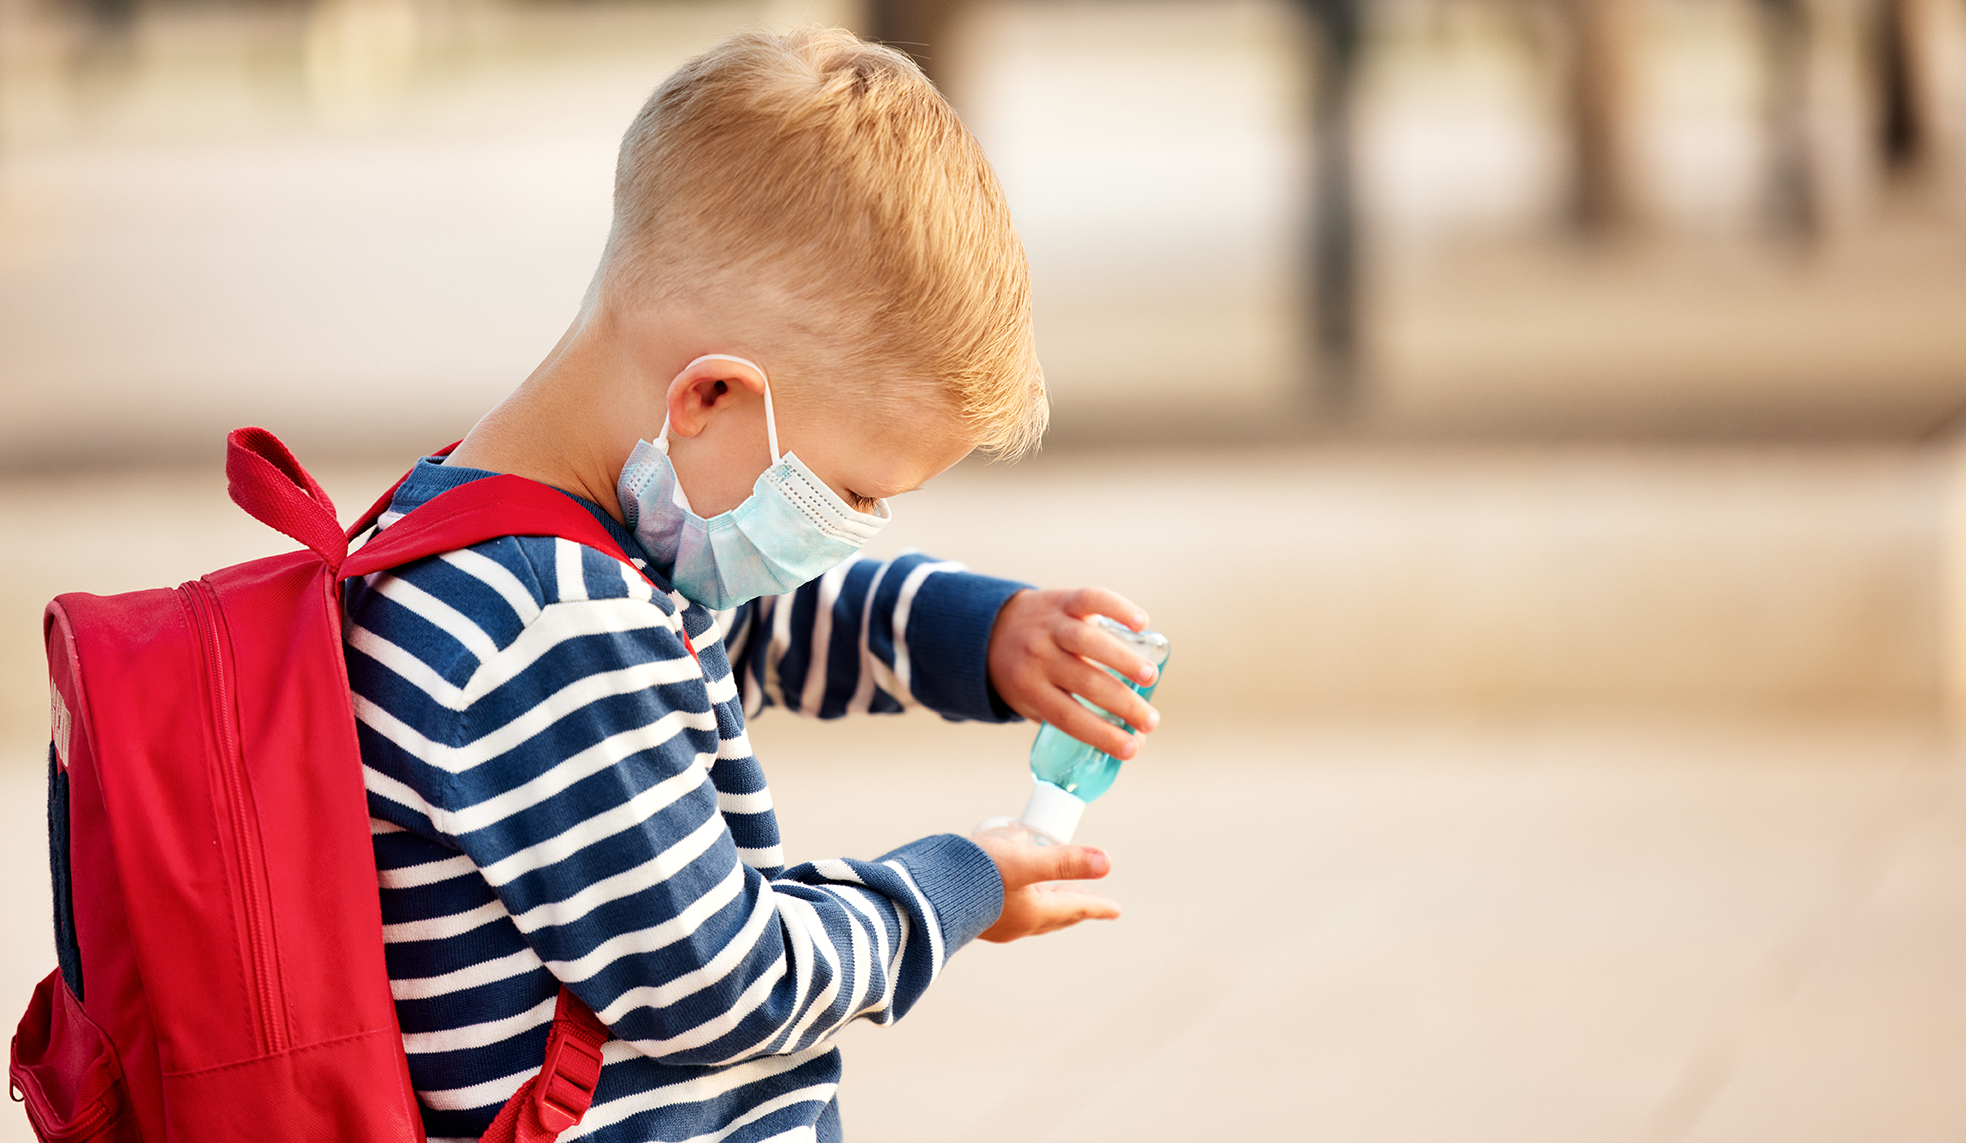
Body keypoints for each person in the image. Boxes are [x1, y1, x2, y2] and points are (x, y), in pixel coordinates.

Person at [341, 25, 1162, 1143]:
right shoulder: (548, 621)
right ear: (711, 397)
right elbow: (724, 980)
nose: (852, 532)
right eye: (849, 493)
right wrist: (953, 886)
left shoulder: (496, 539)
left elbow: (739, 626)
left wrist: (982, 636)